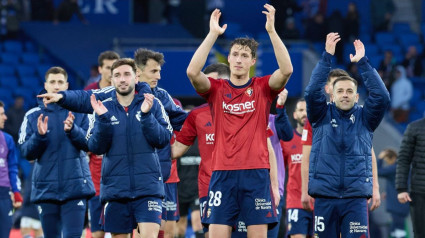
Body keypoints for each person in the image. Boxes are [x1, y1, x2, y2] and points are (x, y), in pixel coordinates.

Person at [186, 4, 293, 237]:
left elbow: (286, 70)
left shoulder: (262, 88)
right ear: (229, 57)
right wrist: (213, 34)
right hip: (222, 174)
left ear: (252, 61)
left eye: (244, 55)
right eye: (235, 54)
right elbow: (193, 73)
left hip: (256, 174)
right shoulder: (217, 89)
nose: (238, 59)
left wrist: (272, 32)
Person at [304, 33, 390, 237]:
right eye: (340, 90)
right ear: (331, 95)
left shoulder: (366, 118)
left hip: (355, 198)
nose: (345, 94)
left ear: (357, 96)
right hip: (325, 197)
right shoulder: (320, 115)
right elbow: (311, 92)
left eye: (350, 91)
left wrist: (363, 63)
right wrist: (326, 56)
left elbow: (382, 97)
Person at [86, 58, 172, 237]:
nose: (122, 79)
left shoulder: (152, 103)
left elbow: (163, 139)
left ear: (136, 78)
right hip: (116, 191)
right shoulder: (102, 108)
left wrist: (147, 116)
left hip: (148, 189)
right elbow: (96, 147)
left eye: (127, 74)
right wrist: (103, 120)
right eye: (117, 75)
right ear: (112, 80)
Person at [18, 66, 95, 237]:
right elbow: (26, 152)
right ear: (46, 85)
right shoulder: (32, 115)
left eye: (60, 82)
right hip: (47, 190)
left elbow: (91, 144)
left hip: (75, 189)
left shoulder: (80, 113)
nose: (56, 86)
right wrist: (39, 136)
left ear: (67, 85)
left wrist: (73, 130)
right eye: (52, 82)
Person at [133, 48, 187, 238]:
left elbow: (184, 121)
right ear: (138, 72)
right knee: (136, 229)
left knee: (161, 229)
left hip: (160, 174)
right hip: (132, 174)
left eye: (159, 71)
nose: (159, 76)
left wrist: (179, 148)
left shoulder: (162, 96)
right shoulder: (124, 96)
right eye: (154, 71)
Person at [172, 63, 230, 238]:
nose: (213, 87)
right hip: (208, 188)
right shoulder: (197, 115)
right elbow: (175, 150)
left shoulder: (248, 109)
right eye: (209, 82)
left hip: (242, 186)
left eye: (217, 82)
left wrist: (273, 185)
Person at [84, 50, 120, 238]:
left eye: (115, 67)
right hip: (95, 173)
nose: (111, 72)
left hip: (119, 171)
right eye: (108, 67)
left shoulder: (124, 93)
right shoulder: (89, 93)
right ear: (100, 69)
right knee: (96, 232)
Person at [276, 95, 314, 238]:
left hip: (320, 201)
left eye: (307, 110)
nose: (305, 114)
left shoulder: (320, 139)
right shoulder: (287, 140)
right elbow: (279, 170)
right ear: (295, 114)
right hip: (295, 201)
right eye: (301, 110)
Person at [396, 117, 425, 238]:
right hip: (420, 193)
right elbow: (403, 159)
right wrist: (401, 188)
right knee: (420, 233)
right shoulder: (414, 128)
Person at [0, 100, 22, 238]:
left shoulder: (7, 140)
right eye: (2, 114)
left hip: (4, 195)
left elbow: (12, 168)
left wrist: (16, 191)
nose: (5, 117)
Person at [377, 149, 409, 238]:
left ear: (393, 158)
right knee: (396, 230)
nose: (387, 163)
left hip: (397, 205)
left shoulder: (395, 167)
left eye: (387, 160)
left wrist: (380, 158)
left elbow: (378, 172)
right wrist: (388, 193)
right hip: (401, 205)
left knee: (398, 231)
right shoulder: (402, 167)